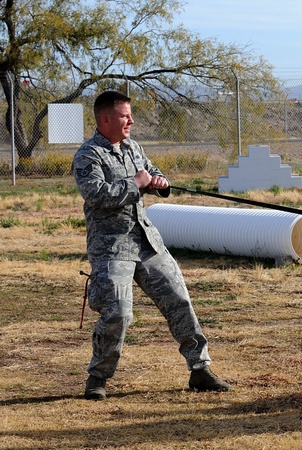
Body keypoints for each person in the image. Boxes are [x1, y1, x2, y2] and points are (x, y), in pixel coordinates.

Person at [73, 90, 231, 400]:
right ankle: (97, 378)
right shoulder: (88, 155)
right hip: (111, 248)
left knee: (179, 300)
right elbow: (98, 195)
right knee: (118, 313)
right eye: (124, 115)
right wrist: (138, 184)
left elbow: (151, 171)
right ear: (105, 119)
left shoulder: (133, 147)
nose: (131, 120)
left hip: (147, 243)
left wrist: (159, 182)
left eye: (130, 115)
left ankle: (199, 370)